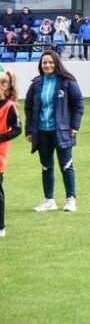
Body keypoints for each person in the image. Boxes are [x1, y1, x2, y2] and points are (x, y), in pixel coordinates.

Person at [25, 50, 83, 213]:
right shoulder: (36, 83)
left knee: (66, 165)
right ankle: (49, 200)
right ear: (40, 65)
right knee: (46, 167)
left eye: (50, 62)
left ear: (56, 63)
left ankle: (71, 199)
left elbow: (78, 104)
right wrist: (29, 130)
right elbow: (29, 108)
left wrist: (75, 126)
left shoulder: (67, 82)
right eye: (45, 63)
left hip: (63, 131)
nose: (47, 65)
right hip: (42, 132)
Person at [0, 70, 21, 237]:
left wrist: (1, 137)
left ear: (8, 87)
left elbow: (17, 129)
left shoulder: (9, 106)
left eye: (3, 83)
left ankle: (1, 226)